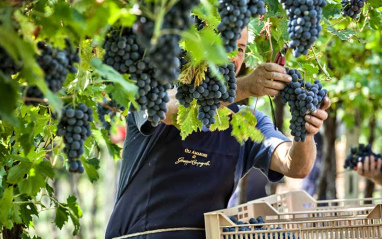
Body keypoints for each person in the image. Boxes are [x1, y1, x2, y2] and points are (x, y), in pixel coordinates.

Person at [105, 27, 331, 239]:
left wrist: (306, 132)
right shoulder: (155, 93)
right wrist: (245, 87)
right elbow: (172, 111)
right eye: (225, 45)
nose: (233, 56)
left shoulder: (246, 121)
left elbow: (295, 166)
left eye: (240, 49)